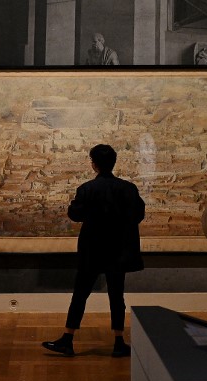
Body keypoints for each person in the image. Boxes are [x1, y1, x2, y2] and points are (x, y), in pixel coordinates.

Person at [42, 144, 145, 357]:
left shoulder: (87, 189)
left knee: (80, 294)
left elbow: (75, 214)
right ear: (113, 163)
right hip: (118, 250)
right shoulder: (128, 189)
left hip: (93, 249)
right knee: (117, 296)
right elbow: (138, 215)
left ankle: (68, 338)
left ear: (94, 165)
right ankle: (118, 341)